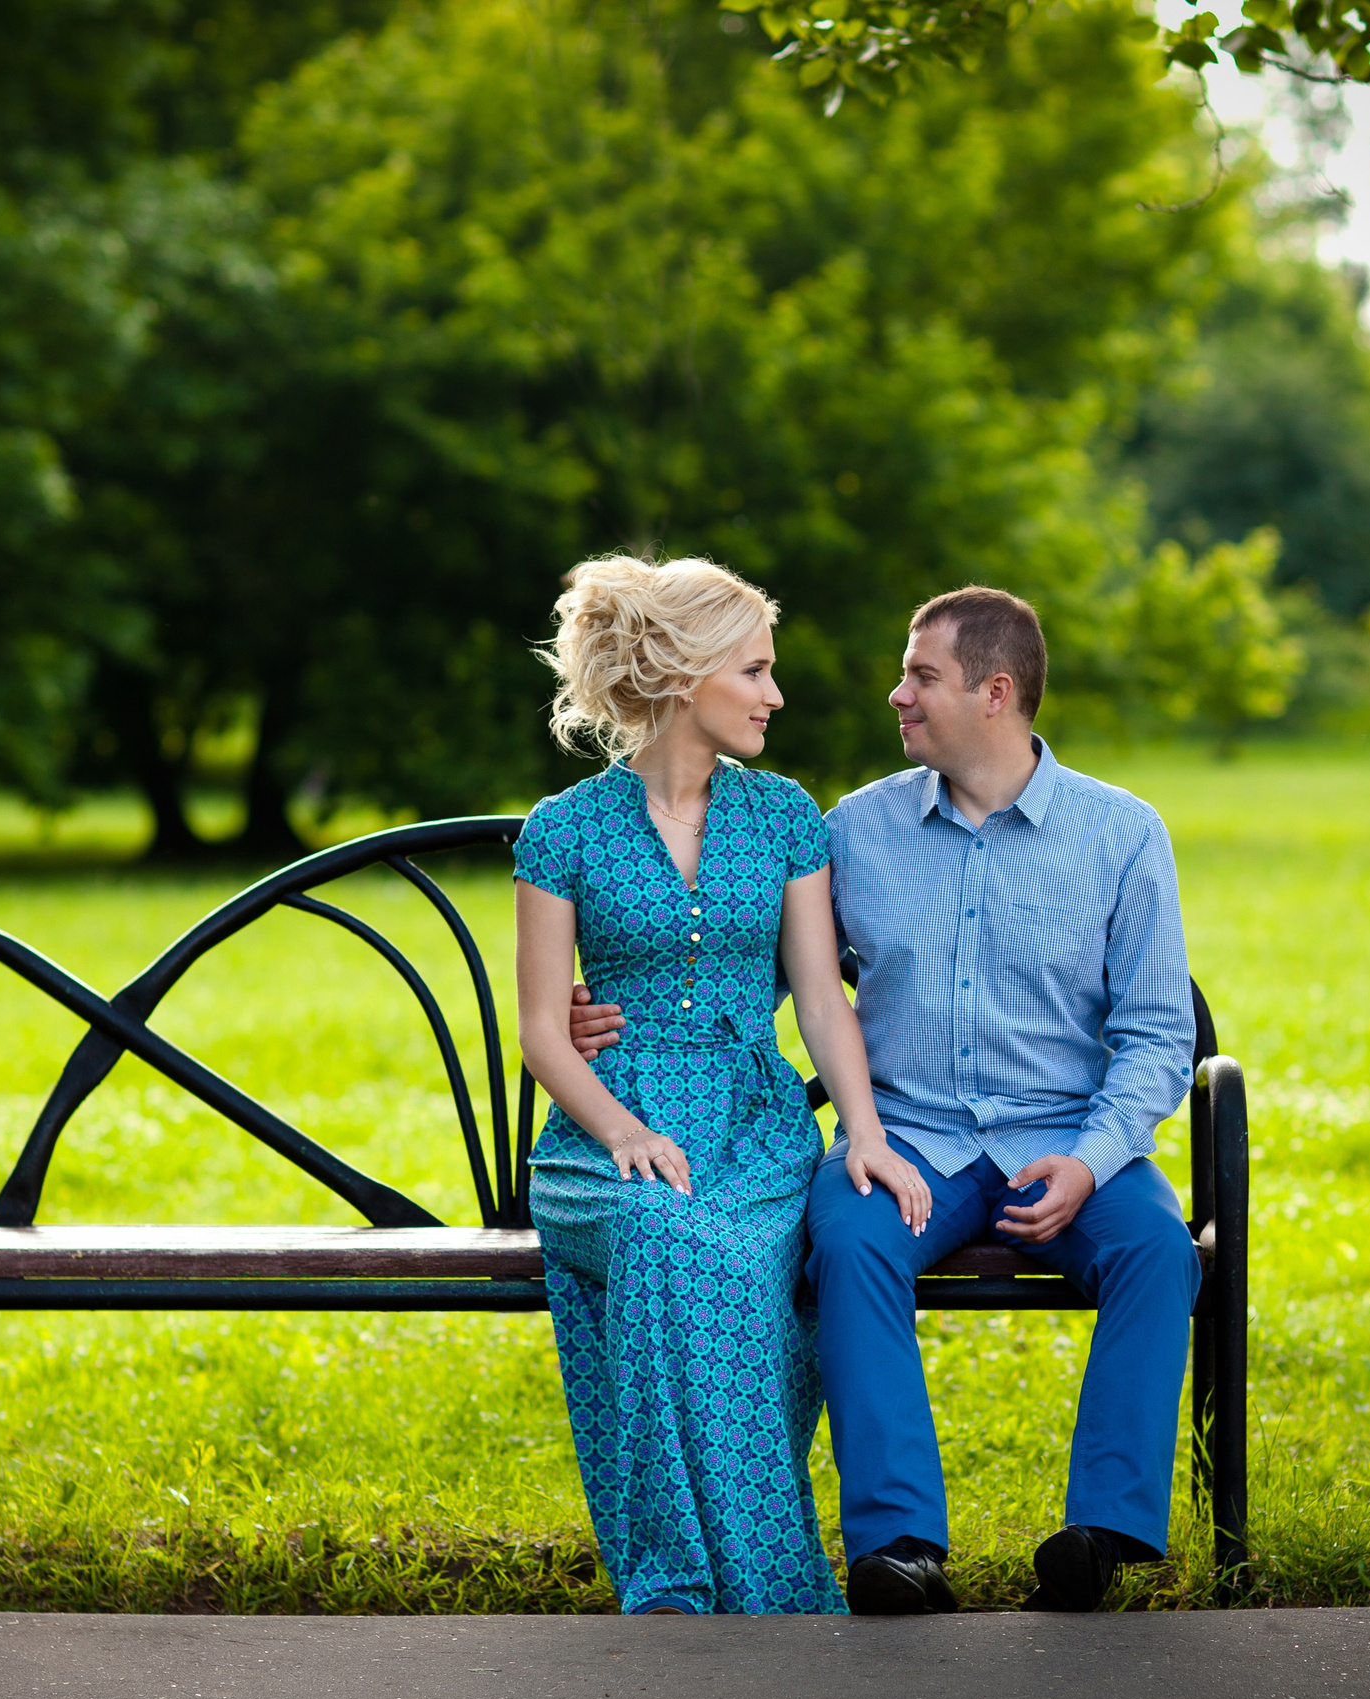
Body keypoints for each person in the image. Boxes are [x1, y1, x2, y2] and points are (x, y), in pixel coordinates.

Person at [570, 586, 1200, 1616]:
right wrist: (599, 1006)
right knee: (850, 1239)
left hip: (1069, 1143)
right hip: (907, 1145)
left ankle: (1102, 1531)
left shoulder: (1120, 836)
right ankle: (900, 1545)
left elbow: (1156, 1037)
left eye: (921, 676)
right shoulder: (853, 831)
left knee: (1155, 1248)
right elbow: (738, 967)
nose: (894, 693)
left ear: (994, 693)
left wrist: (1092, 1158)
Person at [513, 553, 922, 1617]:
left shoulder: (785, 817)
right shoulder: (562, 831)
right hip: (601, 1141)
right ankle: (690, 1577)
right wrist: (618, 1131)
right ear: (683, 671)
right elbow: (541, 1035)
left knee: (728, 1253)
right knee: (658, 1231)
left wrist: (864, 1133)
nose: (774, 695)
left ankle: (730, 1576)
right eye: (754, 670)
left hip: (752, 1132)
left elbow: (824, 1005)